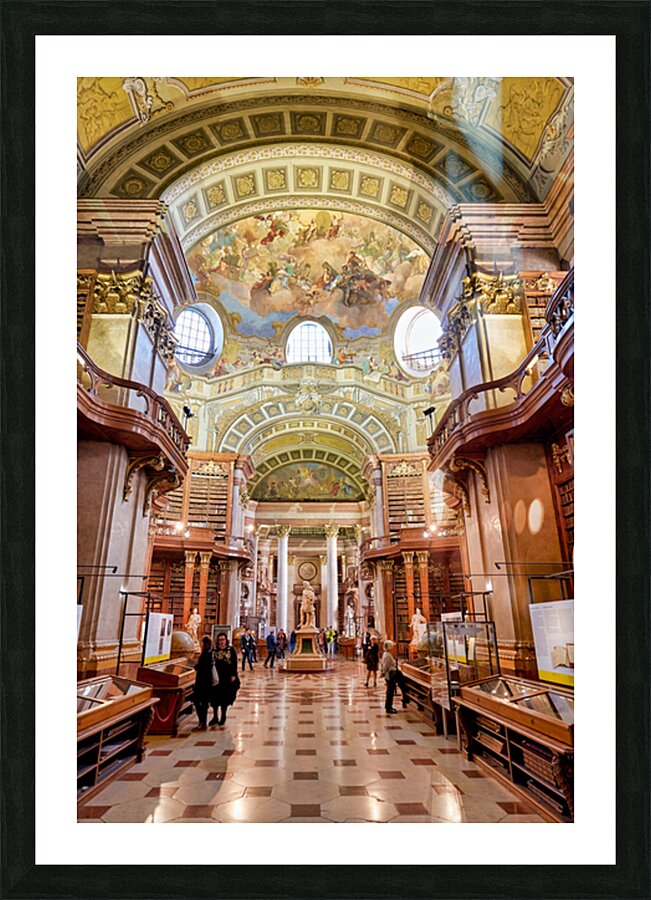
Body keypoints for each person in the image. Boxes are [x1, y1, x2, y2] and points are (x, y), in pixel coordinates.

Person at [210, 631, 240, 726]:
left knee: (224, 698)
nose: (221, 642)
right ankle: (215, 716)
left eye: (223, 639)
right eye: (219, 640)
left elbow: (234, 663)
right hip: (216, 677)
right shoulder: (214, 650)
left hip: (226, 677)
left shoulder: (231, 650)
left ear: (226, 640)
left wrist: (233, 675)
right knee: (214, 697)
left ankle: (223, 716)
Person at [192, 635, 215, 731]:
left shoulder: (206, 654)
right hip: (206, 682)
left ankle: (202, 722)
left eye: (201, 642)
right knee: (203, 702)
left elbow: (202, 667)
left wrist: (196, 666)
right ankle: (202, 722)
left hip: (203, 682)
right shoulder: (210, 653)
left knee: (198, 702)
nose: (200, 644)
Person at [381, 639, 409, 715]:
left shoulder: (386, 654)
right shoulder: (388, 655)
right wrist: (383, 673)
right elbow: (386, 666)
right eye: (392, 646)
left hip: (390, 674)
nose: (393, 648)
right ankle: (388, 707)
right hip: (390, 675)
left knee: (391, 690)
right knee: (390, 691)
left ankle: (405, 698)